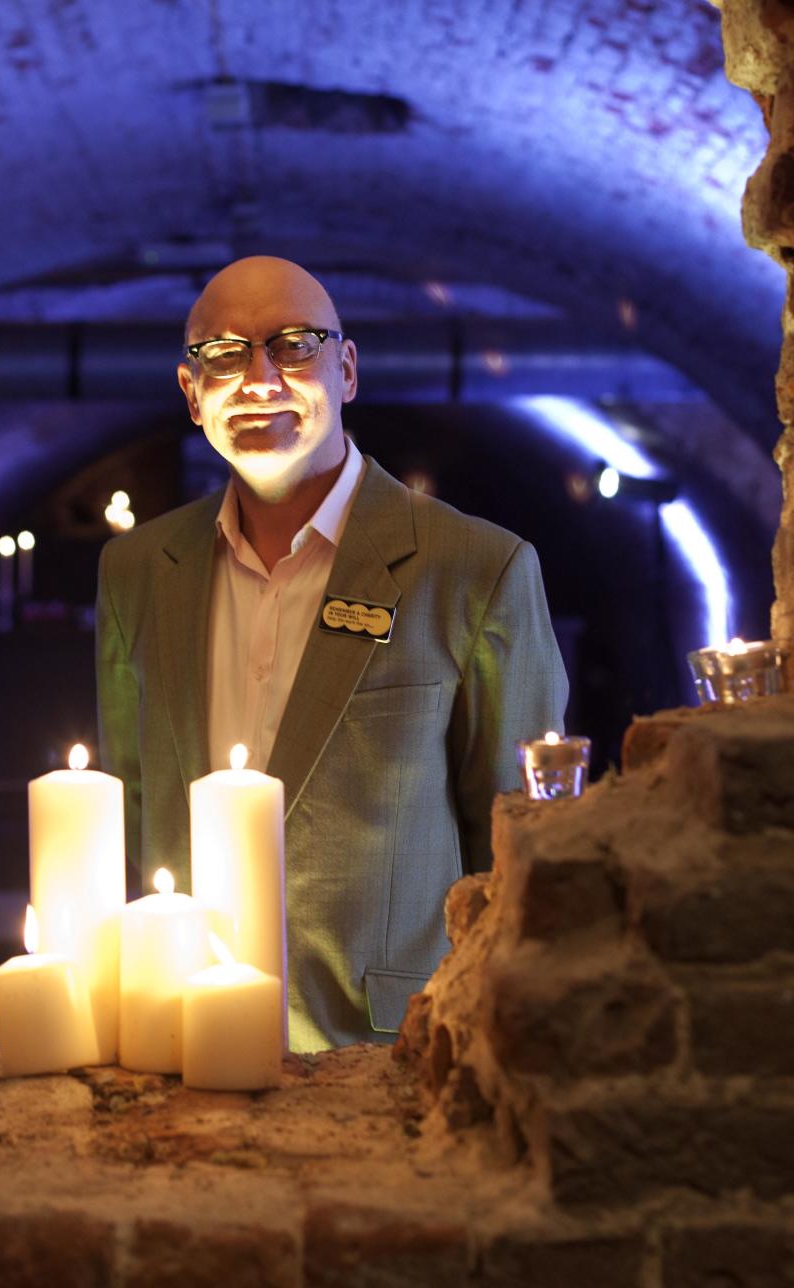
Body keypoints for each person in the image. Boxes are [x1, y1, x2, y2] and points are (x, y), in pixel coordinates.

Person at [95, 256, 568, 1052]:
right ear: (190, 391)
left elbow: (519, 843)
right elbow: (132, 808)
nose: (257, 379)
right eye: (222, 354)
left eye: (293, 344)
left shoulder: (475, 568)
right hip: (178, 1038)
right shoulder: (136, 571)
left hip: (394, 1047)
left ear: (345, 370)